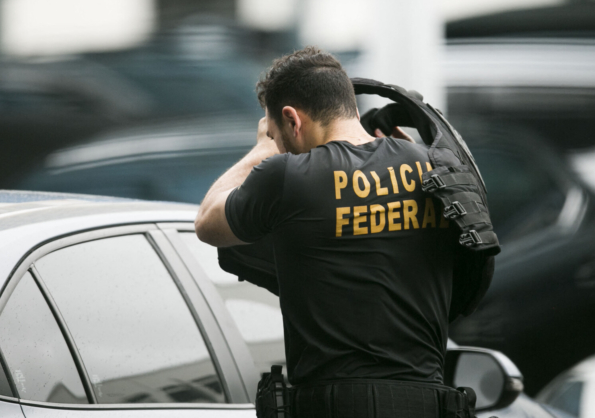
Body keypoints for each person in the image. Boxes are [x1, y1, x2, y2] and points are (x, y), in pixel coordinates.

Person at [196, 46, 466, 417]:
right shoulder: (431, 167)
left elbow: (207, 221)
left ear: (292, 119)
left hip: (335, 406)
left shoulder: (289, 176)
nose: (281, 145)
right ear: (349, 106)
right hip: (428, 403)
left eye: (278, 134)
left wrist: (262, 149)